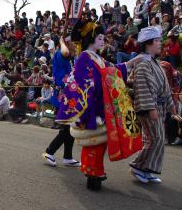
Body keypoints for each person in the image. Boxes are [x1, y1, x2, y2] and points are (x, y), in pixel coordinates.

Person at [55, 21, 141, 191]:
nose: (103, 41)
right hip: (90, 105)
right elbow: (81, 81)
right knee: (93, 141)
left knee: (99, 142)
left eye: (103, 38)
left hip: (100, 104)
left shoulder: (97, 58)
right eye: (100, 38)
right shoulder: (84, 57)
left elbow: (111, 70)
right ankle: (92, 173)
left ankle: (96, 171)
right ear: (91, 40)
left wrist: (130, 63)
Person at [130, 27, 176, 184]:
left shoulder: (154, 62)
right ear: (147, 43)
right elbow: (142, 88)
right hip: (150, 107)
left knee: (159, 138)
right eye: (156, 41)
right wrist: (150, 108)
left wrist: (170, 105)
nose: (159, 43)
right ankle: (138, 166)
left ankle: (148, 169)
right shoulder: (143, 64)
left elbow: (165, 87)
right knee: (153, 138)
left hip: (159, 107)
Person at [43, 36, 81, 168]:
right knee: (66, 127)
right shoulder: (60, 54)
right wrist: (60, 42)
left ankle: (68, 157)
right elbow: (65, 52)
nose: (76, 47)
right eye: (73, 44)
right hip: (62, 96)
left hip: (71, 97)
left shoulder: (73, 59)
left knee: (70, 126)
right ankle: (50, 151)